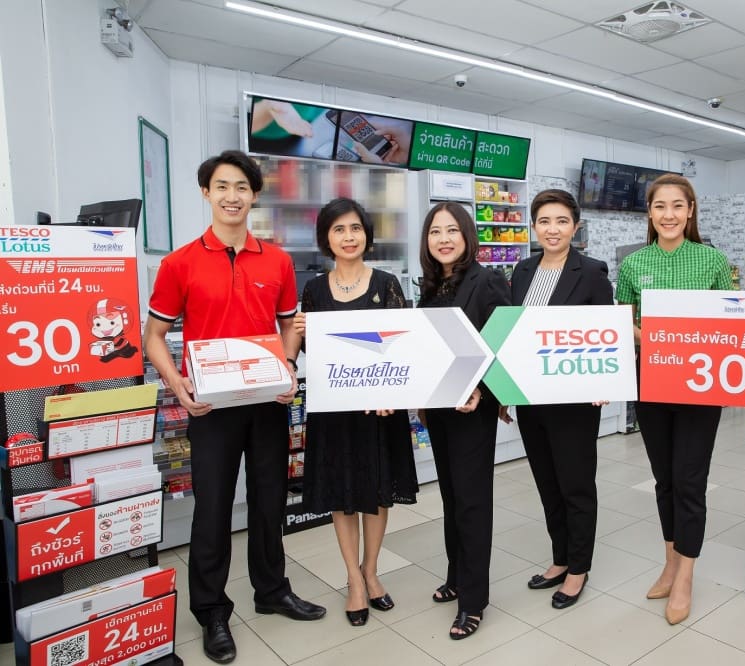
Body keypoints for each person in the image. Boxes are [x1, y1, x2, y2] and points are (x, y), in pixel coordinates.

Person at [144, 150, 326, 665]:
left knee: (270, 502)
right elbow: (153, 335)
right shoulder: (179, 263)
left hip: (266, 401)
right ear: (206, 192)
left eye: (241, 187)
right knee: (213, 509)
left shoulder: (277, 260)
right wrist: (177, 383)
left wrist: (288, 365)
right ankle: (211, 611)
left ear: (254, 195)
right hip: (210, 408)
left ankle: (272, 591)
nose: (232, 196)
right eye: (222, 186)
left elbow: (289, 324)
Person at [291, 198, 419, 627]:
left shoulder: (387, 283)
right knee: (342, 494)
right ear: (326, 238)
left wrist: (393, 391)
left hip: (380, 411)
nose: (349, 237)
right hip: (335, 411)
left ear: (367, 235)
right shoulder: (314, 290)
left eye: (356, 229)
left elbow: (404, 346)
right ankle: (353, 579)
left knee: (377, 490)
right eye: (339, 230)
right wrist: (300, 333)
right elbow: (315, 353)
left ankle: (372, 570)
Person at [615, 173, 731, 626]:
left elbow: (732, 321)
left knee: (689, 480)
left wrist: (687, 340)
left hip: (701, 386)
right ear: (649, 212)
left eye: (677, 206)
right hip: (652, 381)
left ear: (690, 211)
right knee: (663, 479)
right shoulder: (632, 264)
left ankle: (685, 575)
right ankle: (670, 561)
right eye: (660, 206)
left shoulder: (712, 260)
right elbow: (622, 320)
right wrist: (655, 338)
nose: (669, 215)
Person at [506, 189, 612, 609]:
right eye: (545, 221)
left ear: (575, 226)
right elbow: (514, 333)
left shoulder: (592, 272)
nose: (553, 229)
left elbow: (606, 333)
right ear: (534, 226)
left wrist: (604, 382)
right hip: (531, 397)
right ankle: (560, 558)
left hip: (574, 401)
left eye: (562, 221)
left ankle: (579, 568)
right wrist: (505, 391)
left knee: (576, 485)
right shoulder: (522, 270)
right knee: (547, 483)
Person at [418, 202, 510, 639]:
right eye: (436, 231)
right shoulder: (431, 285)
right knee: (451, 497)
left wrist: (483, 391)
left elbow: (504, 345)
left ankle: (473, 601)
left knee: (472, 502)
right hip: (440, 408)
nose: (444, 239)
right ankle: (456, 576)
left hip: (474, 410)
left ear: (467, 235)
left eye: (452, 230)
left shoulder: (487, 280)